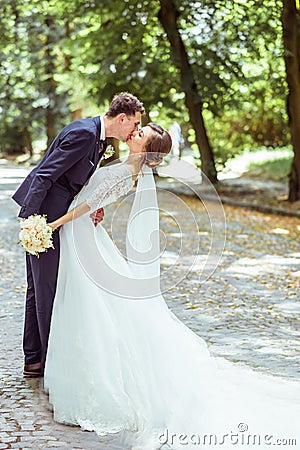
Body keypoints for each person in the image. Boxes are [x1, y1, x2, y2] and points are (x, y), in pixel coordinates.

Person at [43, 123, 300, 450]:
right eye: (137, 130)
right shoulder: (127, 168)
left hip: (78, 233)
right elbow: (95, 201)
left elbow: (85, 204)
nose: (134, 134)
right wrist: (91, 210)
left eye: (140, 136)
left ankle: (98, 385)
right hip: (84, 235)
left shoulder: (126, 172)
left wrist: (54, 223)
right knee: (88, 305)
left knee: (91, 307)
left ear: (146, 151)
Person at [12, 92, 145, 378]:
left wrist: (93, 206)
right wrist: (30, 218)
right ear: (121, 118)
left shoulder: (97, 139)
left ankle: (34, 360)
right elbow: (46, 173)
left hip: (57, 214)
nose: (135, 131)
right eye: (134, 124)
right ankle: (49, 363)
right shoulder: (85, 134)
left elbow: (74, 178)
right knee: (47, 290)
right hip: (46, 217)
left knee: (39, 287)